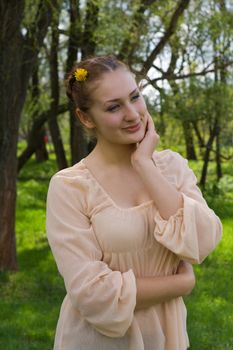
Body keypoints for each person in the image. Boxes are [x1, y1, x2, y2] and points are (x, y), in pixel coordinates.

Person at [46, 55, 222, 350]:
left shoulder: (172, 167)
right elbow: (90, 294)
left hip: (168, 337)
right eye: (114, 107)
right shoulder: (69, 187)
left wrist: (145, 165)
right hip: (99, 341)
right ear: (86, 118)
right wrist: (181, 284)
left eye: (135, 97)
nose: (133, 114)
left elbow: (203, 241)